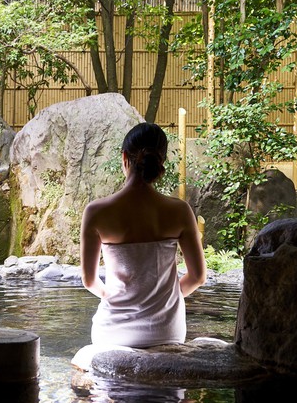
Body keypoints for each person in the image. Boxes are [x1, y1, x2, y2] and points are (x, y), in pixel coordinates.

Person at [74, 122, 207, 367]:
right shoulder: (179, 211)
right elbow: (198, 277)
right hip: (166, 331)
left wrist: (112, 297)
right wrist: (167, 297)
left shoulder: (97, 212)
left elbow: (89, 280)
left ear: (124, 158)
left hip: (113, 332)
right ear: (161, 160)